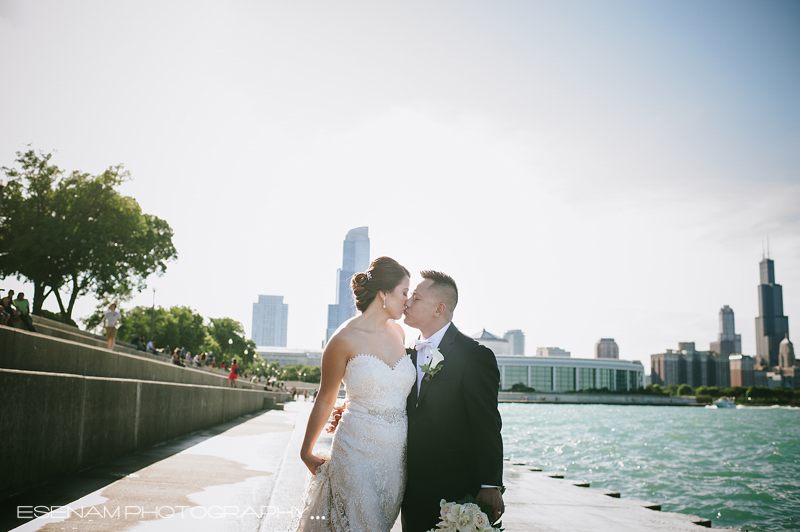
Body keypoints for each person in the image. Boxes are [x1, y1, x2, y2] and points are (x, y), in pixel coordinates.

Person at [291, 257, 414, 532]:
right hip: (355, 450)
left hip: (396, 456)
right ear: (384, 294)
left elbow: (387, 387)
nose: (408, 300)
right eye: (404, 292)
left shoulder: (400, 333)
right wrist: (306, 451)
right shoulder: (343, 339)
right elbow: (325, 398)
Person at [400, 271, 504, 532]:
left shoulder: (474, 356)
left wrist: (490, 485)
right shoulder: (406, 352)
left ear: (439, 308)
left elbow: (487, 424)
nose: (407, 303)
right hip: (411, 492)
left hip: (456, 491)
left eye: (416, 297)